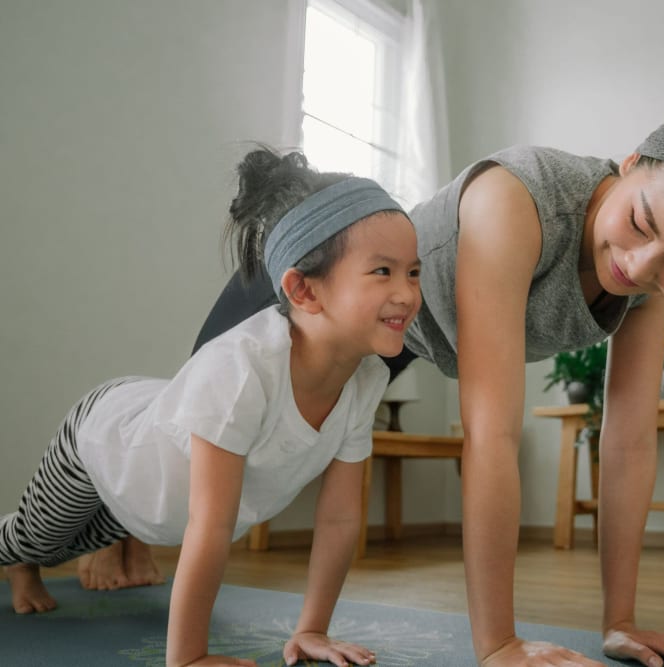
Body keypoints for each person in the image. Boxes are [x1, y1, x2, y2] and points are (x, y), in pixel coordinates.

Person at [97, 90, 664, 667]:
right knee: (174, 444)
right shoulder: (520, 198)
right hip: (329, 304)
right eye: (641, 222)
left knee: (248, 471)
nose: (641, 265)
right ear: (629, 164)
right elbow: (492, 432)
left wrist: (619, 621)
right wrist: (496, 643)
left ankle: (130, 533)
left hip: (398, 339)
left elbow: (628, 439)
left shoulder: (654, 280)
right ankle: (112, 527)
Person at [1, 148, 422, 667]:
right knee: (37, 537)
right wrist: (189, 658)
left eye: (415, 272)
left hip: (153, 496)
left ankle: (31, 558)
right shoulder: (243, 367)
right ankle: (20, 562)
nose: (407, 293)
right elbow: (210, 523)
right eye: (383, 271)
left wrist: (312, 629)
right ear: (302, 290)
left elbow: (338, 519)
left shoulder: (366, 378)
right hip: (102, 440)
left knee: (80, 536)